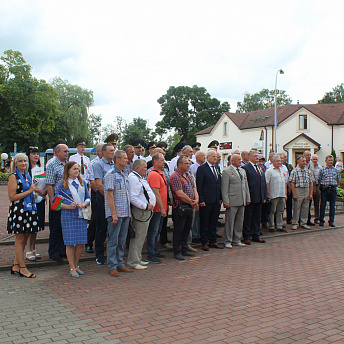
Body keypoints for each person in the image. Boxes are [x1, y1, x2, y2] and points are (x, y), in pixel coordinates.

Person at [8, 153, 42, 278]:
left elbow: (28, 190)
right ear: (15, 163)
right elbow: (12, 197)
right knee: (20, 238)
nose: (23, 163)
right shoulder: (14, 176)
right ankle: (22, 267)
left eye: (25, 161)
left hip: (29, 210)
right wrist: (28, 192)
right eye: (20, 161)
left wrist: (32, 194)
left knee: (25, 237)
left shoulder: (27, 175)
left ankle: (16, 264)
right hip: (19, 210)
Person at [55, 162, 91, 277]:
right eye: (74, 169)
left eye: (78, 169)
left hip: (81, 215)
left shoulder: (82, 183)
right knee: (70, 243)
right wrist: (68, 206)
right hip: (68, 216)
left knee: (80, 243)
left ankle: (76, 265)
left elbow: (88, 198)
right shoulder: (63, 185)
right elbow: (56, 204)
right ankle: (71, 267)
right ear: (68, 171)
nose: (77, 171)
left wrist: (84, 203)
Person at [104, 150, 133, 276]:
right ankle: (112, 265)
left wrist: (129, 213)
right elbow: (109, 195)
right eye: (124, 158)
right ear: (117, 159)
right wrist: (113, 214)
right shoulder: (111, 174)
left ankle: (120, 263)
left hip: (125, 213)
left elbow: (127, 195)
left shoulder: (125, 174)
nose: (127, 160)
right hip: (116, 214)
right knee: (113, 241)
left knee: (122, 241)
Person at [127, 159, 156, 269]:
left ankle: (137, 258)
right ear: (137, 168)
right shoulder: (133, 179)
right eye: (144, 167)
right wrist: (145, 206)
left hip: (146, 211)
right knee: (138, 236)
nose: (146, 169)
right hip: (141, 211)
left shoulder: (140, 178)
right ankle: (133, 261)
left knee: (141, 236)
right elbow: (133, 197)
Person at [169, 155, 199, 260]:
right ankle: (177, 251)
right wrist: (192, 202)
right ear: (180, 164)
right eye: (186, 164)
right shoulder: (175, 176)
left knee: (187, 229)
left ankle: (184, 249)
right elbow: (179, 194)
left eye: (189, 163)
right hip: (180, 207)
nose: (188, 165)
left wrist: (196, 200)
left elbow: (194, 188)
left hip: (189, 206)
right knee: (179, 230)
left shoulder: (188, 176)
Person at [221, 154, 250, 248]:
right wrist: (226, 201)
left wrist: (247, 198)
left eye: (240, 160)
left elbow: (245, 186)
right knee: (230, 222)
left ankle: (237, 239)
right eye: (238, 160)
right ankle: (228, 240)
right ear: (232, 161)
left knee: (239, 221)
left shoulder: (242, 171)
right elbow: (224, 188)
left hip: (242, 200)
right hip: (232, 200)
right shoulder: (227, 171)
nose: (240, 161)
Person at [46, 143, 69, 262]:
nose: (67, 153)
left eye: (67, 151)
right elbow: (49, 184)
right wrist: (52, 201)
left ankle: (62, 250)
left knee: (63, 225)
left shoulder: (66, 164)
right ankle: (54, 252)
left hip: (67, 198)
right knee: (56, 225)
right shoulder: (52, 164)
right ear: (57, 152)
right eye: (64, 151)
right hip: (57, 198)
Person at [93, 143, 115, 264]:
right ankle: (99, 254)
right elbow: (99, 185)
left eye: (114, 150)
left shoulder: (114, 165)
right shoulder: (98, 164)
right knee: (101, 226)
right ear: (103, 152)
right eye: (110, 150)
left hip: (113, 199)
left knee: (112, 226)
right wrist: (108, 198)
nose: (113, 152)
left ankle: (112, 253)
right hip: (103, 199)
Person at [196, 150, 223, 251]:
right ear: (207, 157)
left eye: (216, 156)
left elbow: (219, 183)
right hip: (206, 200)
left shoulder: (217, 168)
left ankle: (213, 240)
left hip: (216, 200)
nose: (215, 158)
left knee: (213, 221)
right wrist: (201, 200)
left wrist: (220, 197)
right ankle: (204, 242)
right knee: (204, 222)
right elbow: (200, 185)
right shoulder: (202, 169)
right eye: (213, 156)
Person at [146, 153, 168, 263]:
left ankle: (154, 250)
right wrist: (162, 208)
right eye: (162, 160)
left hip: (161, 207)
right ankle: (151, 253)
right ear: (155, 161)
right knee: (153, 231)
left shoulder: (160, 173)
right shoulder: (154, 174)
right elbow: (156, 193)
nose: (164, 162)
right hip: (157, 208)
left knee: (157, 231)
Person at [26, 146, 47, 261]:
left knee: (37, 226)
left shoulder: (41, 169)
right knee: (30, 226)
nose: (36, 156)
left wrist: (43, 192)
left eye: (37, 154)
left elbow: (44, 184)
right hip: (30, 200)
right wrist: (37, 191)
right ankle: (28, 249)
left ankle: (34, 248)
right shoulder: (27, 170)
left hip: (40, 200)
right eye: (33, 154)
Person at [242, 150, 267, 244]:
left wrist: (264, 196)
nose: (257, 158)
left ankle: (256, 235)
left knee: (257, 217)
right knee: (248, 217)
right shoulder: (245, 168)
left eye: (258, 156)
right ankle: (247, 236)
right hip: (251, 197)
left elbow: (263, 183)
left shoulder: (261, 168)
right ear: (250, 157)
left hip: (259, 196)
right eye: (256, 156)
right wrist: (247, 197)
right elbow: (245, 184)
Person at [85, 142, 104, 253]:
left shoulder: (109, 163)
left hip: (106, 192)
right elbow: (92, 181)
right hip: (97, 192)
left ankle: (100, 242)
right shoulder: (94, 163)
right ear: (99, 152)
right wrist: (99, 191)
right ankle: (89, 242)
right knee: (95, 218)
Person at [289, 155, 314, 230]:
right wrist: (294, 193)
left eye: (305, 161)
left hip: (306, 189)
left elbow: (311, 183)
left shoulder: (308, 171)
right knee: (297, 207)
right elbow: (292, 183)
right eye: (303, 161)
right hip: (298, 190)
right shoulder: (294, 171)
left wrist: (310, 193)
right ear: (298, 161)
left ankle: (303, 223)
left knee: (305, 207)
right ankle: (295, 223)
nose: (305, 163)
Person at [265, 155, 288, 233]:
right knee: (272, 211)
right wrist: (268, 194)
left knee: (280, 211)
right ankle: (271, 226)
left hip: (282, 194)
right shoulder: (269, 171)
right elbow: (267, 183)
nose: (279, 162)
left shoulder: (282, 171)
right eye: (277, 161)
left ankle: (279, 226)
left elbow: (285, 182)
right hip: (273, 194)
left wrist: (285, 194)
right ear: (273, 161)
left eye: (280, 161)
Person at [319, 155, 341, 227]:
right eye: (329, 160)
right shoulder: (322, 170)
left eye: (332, 160)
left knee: (332, 206)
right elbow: (319, 180)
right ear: (326, 161)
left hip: (333, 189)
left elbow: (338, 180)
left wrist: (334, 186)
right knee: (323, 205)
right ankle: (321, 220)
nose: (330, 162)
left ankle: (331, 221)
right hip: (325, 189)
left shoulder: (336, 170)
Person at [280, 152, 294, 224]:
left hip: (288, 187)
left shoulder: (289, 166)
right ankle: (280, 220)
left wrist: (290, 188)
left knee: (289, 204)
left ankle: (289, 218)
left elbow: (289, 178)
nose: (285, 158)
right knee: (281, 206)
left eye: (286, 157)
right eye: (283, 157)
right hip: (281, 189)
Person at [309, 154, 322, 224]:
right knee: (308, 203)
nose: (315, 161)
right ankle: (308, 219)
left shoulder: (320, 168)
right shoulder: (309, 167)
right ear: (311, 160)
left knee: (317, 203)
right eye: (313, 159)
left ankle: (317, 217)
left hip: (317, 186)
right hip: (310, 186)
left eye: (316, 159)